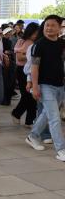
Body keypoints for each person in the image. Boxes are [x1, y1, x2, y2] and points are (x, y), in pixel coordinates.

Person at [25, 15, 65, 161]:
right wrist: (35, 86)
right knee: (55, 118)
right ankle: (61, 149)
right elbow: (34, 67)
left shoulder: (62, 44)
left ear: (59, 28)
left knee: (47, 114)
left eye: (53, 25)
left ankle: (33, 136)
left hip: (60, 85)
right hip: (45, 85)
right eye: (47, 25)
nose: (49, 28)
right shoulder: (39, 45)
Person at [12, 23, 40, 127]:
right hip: (22, 70)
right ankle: (16, 113)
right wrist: (31, 56)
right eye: (34, 33)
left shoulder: (38, 43)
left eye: (37, 33)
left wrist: (27, 55)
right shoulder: (21, 41)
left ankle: (29, 120)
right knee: (27, 95)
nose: (35, 35)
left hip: (33, 70)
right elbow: (19, 57)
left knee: (32, 96)